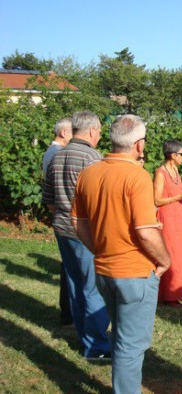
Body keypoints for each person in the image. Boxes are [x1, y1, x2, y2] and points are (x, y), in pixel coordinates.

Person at [71, 114, 171, 394]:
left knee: (121, 338)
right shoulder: (136, 176)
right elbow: (146, 231)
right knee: (131, 344)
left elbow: (77, 222)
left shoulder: (89, 172)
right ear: (139, 145)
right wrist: (165, 260)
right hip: (134, 273)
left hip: (104, 270)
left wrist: (101, 248)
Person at [41, 111, 110, 360]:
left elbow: (48, 200)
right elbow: (100, 200)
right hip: (85, 232)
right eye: (100, 132)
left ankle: (84, 338)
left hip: (61, 228)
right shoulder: (92, 157)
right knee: (94, 288)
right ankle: (97, 347)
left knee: (74, 285)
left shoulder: (56, 158)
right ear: (92, 131)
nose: (100, 136)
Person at [153, 140, 182, 306]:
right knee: (171, 253)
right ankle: (169, 295)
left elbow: (177, 192)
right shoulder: (160, 173)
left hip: (179, 217)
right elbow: (156, 200)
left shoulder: (175, 170)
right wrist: (179, 197)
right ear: (173, 155)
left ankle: (181, 291)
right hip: (168, 218)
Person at [42, 117, 73, 327]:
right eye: (72, 131)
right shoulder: (57, 154)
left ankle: (69, 314)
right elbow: (52, 193)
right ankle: (68, 314)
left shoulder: (50, 153)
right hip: (66, 218)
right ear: (63, 133)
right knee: (69, 268)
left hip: (60, 216)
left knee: (68, 266)